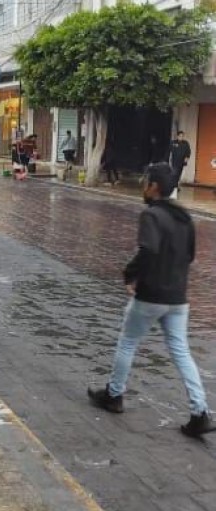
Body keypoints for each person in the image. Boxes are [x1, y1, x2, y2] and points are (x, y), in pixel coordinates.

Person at [88, 163, 214, 438]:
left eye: (146, 181)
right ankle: (200, 412)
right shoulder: (184, 217)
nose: (143, 185)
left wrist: (129, 274)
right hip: (178, 297)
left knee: (128, 342)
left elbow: (148, 249)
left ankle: (115, 395)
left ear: (154, 186)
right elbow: (190, 256)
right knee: (181, 351)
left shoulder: (152, 215)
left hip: (151, 295)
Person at [169, 131, 191, 196]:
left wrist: (186, 159)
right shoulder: (173, 143)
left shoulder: (186, 143)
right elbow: (169, 151)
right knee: (174, 174)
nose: (181, 137)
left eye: (182, 136)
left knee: (178, 175)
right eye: (180, 136)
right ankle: (174, 187)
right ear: (177, 136)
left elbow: (188, 152)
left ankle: (175, 186)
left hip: (181, 163)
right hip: (174, 162)